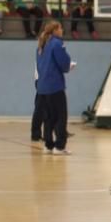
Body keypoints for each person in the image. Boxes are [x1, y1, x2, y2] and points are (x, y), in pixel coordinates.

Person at [36, 21, 73, 155]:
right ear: (55, 30)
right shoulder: (57, 43)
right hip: (55, 86)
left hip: (42, 87)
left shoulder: (41, 44)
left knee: (48, 117)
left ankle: (48, 145)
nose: (62, 30)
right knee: (61, 116)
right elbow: (64, 64)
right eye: (61, 28)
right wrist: (69, 65)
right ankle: (59, 146)